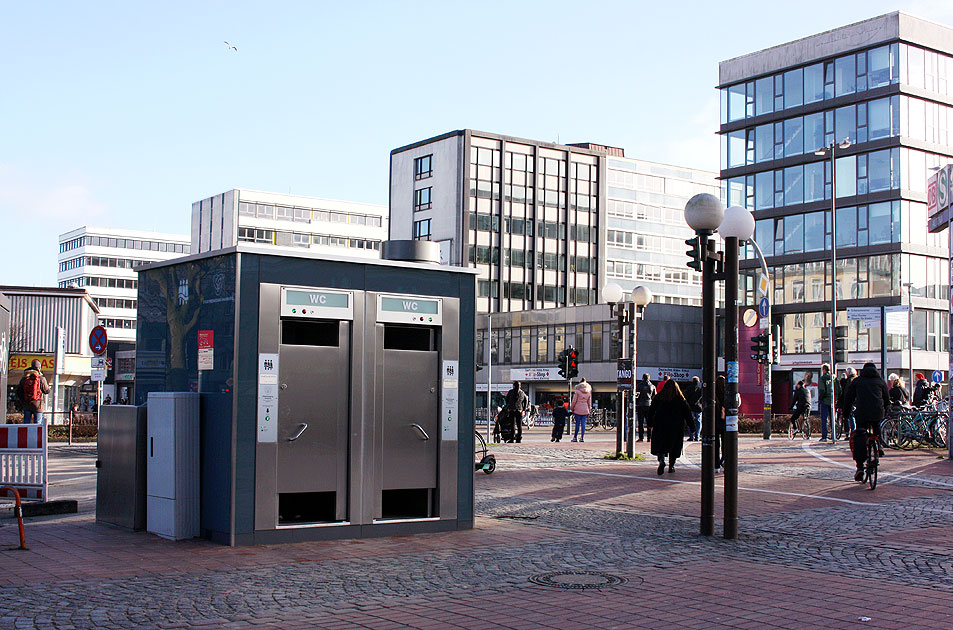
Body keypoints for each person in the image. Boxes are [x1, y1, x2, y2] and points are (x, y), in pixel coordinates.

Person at [840, 362, 890, 482]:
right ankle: (879, 445)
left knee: (860, 435)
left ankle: (860, 466)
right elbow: (887, 399)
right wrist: (886, 411)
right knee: (876, 426)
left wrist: (846, 414)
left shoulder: (857, 381)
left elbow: (849, 398)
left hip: (862, 412)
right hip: (877, 412)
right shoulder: (880, 381)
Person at [650, 379, 692, 475]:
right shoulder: (680, 399)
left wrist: (650, 423)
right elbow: (687, 413)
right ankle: (671, 465)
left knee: (661, 445)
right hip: (676, 426)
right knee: (674, 447)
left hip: (660, 425)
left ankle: (661, 460)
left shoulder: (658, 398)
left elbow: (651, 411)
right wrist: (692, 427)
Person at [16, 360, 51, 424]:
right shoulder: (41, 378)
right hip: (38, 405)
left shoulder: (24, 378)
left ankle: (26, 434)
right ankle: (36, 434)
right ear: (39, 368)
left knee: (26, 424)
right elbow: (47, 391)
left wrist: (23, 402)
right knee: (38, 423)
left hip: (27, 403)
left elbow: (19, 392)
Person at [635, 374, 656, 442]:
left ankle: (641, 437)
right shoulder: (652, 386)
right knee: (649, 422)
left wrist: (637, 403)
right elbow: (655, 396)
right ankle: (649, 437)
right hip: (649, 405)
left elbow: (636, 396)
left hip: (641, 405)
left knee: (640, 422)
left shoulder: (639, 385)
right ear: (649, 378)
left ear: (642, 378)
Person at [571, 378, 592, 442]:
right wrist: (589, 410)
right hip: (585, 409)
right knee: (583, 424)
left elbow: (574, 401)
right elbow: (589, 402)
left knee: (577, 424)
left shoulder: (577, 391)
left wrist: (572, 408)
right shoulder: (588, 392)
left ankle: (575, 437)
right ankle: (582, 437)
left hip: (577, 409)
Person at [683, 376, 703, 441]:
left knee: (690, 421)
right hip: (698, 407)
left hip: (691, 407)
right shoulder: (700, 388)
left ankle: (691, 436)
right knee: (698, 421)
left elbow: (685, 396)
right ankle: (697, 436)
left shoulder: (689, 388)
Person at [818, 364, 834, 442]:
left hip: (824, 401)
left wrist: (820, 398)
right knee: (832, 418)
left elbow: (822, 390)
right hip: (832, 401)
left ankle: (825, 436)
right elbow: (839, 389)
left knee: (824, 419)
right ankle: (834, 434)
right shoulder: (834, 378)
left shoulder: (822, 378)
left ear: (824, 370)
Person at [714, 375, 727, 469]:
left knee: (715, 444)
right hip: (726, 421)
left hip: (714, 421)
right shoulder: (728, 394)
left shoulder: (713, 394)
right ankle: (724, 459)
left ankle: (716, 463)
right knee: (725, 442)